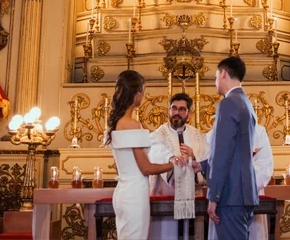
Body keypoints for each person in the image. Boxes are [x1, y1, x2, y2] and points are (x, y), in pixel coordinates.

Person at [106, 70, 186, 240]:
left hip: (123, 192)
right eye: (143, 90)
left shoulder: (117, 122)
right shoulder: (132, 124)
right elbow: (146, 168)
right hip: (134, 194)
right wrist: (175, 163)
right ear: (137, 92)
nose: (143, 96)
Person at [192, 56, 258, 239]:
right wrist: (203, 166)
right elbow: (237, 150)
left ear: (223, 74)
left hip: (230, 194)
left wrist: (213, 196)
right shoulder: (246, 103)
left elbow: (223, 153)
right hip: (243, 192)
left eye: (215, 77)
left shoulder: (228, 103)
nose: (215, 82)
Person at [148, 93, 210, 239]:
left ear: (189, 113)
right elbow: (154, 150)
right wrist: (171, 158)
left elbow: (208, 159)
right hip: (166, 194)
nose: (177, 112)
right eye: (174, 108)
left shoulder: (199, 136)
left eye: (182, 109)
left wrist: (194, 157)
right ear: (168, 110)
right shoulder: (158, 134)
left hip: (194, 196)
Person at [206, 122, 274, 240]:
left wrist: (243, 185)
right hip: (223, 195)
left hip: (249, 192)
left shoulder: (258, 131)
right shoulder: (213, 134)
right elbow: (209, 163)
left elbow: (265, 165)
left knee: (252, 233)